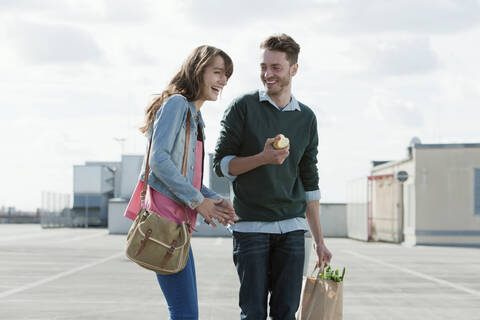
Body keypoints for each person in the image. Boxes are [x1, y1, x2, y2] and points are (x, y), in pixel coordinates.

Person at [213, 34, 332, 319]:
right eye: (264, 66)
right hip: (250, 229)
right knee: (252, 313)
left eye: (276, 67)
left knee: (286, 313)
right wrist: (263, 158)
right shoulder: (243, 107)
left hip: (292, 231)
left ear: (294, 69)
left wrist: (319, 241)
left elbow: (309, 182)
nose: (268, 74)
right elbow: (221, 165)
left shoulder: (306, 118)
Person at [125, 45, 237, 320]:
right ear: (198, 71)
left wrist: (213, 199)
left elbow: (186, 176)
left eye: (226, 75)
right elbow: (159, 160)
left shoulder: (195, 116)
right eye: (217, 72)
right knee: (185, 314)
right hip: (165, 225)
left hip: (178, 228)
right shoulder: (177, 104)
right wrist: (200, 202)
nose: (223, 81)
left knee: (186, 312)